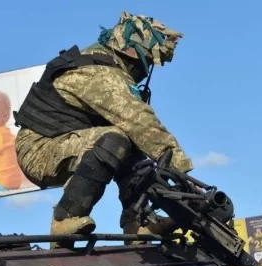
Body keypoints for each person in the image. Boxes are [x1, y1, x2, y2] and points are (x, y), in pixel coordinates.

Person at [13, 11, 194, 244]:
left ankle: (138, 222)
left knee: (132, 147)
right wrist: (182, 173)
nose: (146, 70)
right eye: (147, 61)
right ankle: (65, 218)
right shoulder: (102, 73)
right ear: (132, 54)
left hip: (65, 142)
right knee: (116, 138)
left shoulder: (107, 66)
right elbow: (139, 120)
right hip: (40, 148)